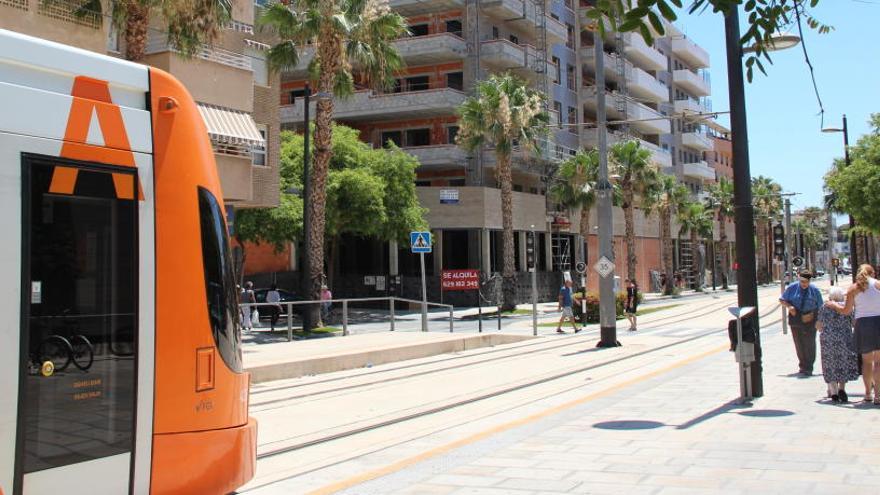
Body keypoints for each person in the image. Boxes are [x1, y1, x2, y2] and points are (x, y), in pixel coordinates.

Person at [825, 264, 880, 404]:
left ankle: (868, 393)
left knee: (867, 362)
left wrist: (833, 305)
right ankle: (878, 395)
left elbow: (846, 311)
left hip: (863, 325)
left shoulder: (853, 288)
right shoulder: (879, 285)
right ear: (872, 273)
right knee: (878, 362)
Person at [816, 286, 860, 403]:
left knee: (830, 363)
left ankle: (834, 392)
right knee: (842, 362)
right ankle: (842, 388)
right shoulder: (847, 306)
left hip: (828, 339)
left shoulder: (824, 307)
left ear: (830, 296)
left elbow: (819, 325)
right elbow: (854, 323)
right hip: (845, 338)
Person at [779, 271, 823, 377]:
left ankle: (809, 367)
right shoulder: (792, 287)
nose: (804, 284)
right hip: (796, 316)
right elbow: (782, 300)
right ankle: (803, 366)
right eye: (802, 281)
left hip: (810, 317)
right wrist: (789, 307)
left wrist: (819, 320)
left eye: (806, 282)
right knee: (799, 343)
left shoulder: (815, 290)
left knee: (809, 343)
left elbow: (821, 307)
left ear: (809, 281)